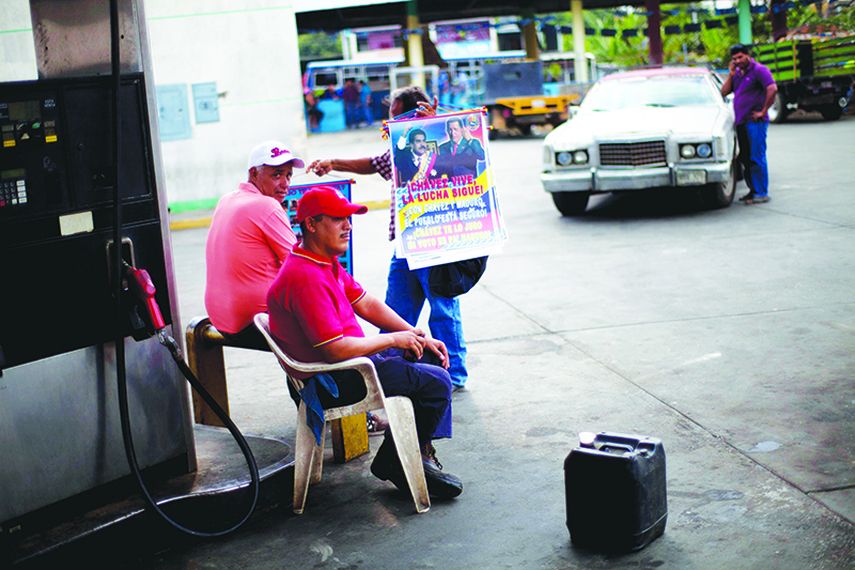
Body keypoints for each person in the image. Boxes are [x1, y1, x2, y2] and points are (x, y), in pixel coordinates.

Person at [266, 186, 464, 499]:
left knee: (428, 355)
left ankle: (407, 454)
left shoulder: (323, 262)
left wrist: (416, 335)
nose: (348, 226)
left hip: (349, 365)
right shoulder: (305, 277)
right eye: (338, 219)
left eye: (349, 218)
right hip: (334, 380)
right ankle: (400, 461)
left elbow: (366, 303)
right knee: (438, 381)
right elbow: (334, 349)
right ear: (311, 224)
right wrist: (394, 339)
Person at [306, 86, 471, 394]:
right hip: (406, 243)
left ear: (414, 113)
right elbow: (374, 164)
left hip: (435, 241)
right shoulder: (401, 149)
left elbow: (459, 160)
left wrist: (434, 124)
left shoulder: (440, 144)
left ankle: (455, 373)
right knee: (396, 307)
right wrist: (334, 163)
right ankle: (390, 366)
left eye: (396, 115)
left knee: (443, 311)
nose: (390, 121)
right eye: (390, 115)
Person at [204, 140, 301, 349]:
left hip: (221, 319)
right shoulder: (266, 205)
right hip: (253, 321)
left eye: (288, 175)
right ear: (254, 174)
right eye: (276, 175)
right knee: (329, 326)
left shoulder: (227, 199)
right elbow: (301, 265)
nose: (285, 183)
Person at [720, 44, 778, 205]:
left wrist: (763, 111)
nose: (738, 61)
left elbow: (772, 88)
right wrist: (731, 74)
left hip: (755, 122)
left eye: (740, 57)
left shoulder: (759, 70)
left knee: (756, 157)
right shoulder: (737, 74)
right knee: (745, 158)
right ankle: (753, 191)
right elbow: (723, 92)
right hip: (741, 121)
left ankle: (761, 192)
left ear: (747, 55)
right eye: (734, 59)